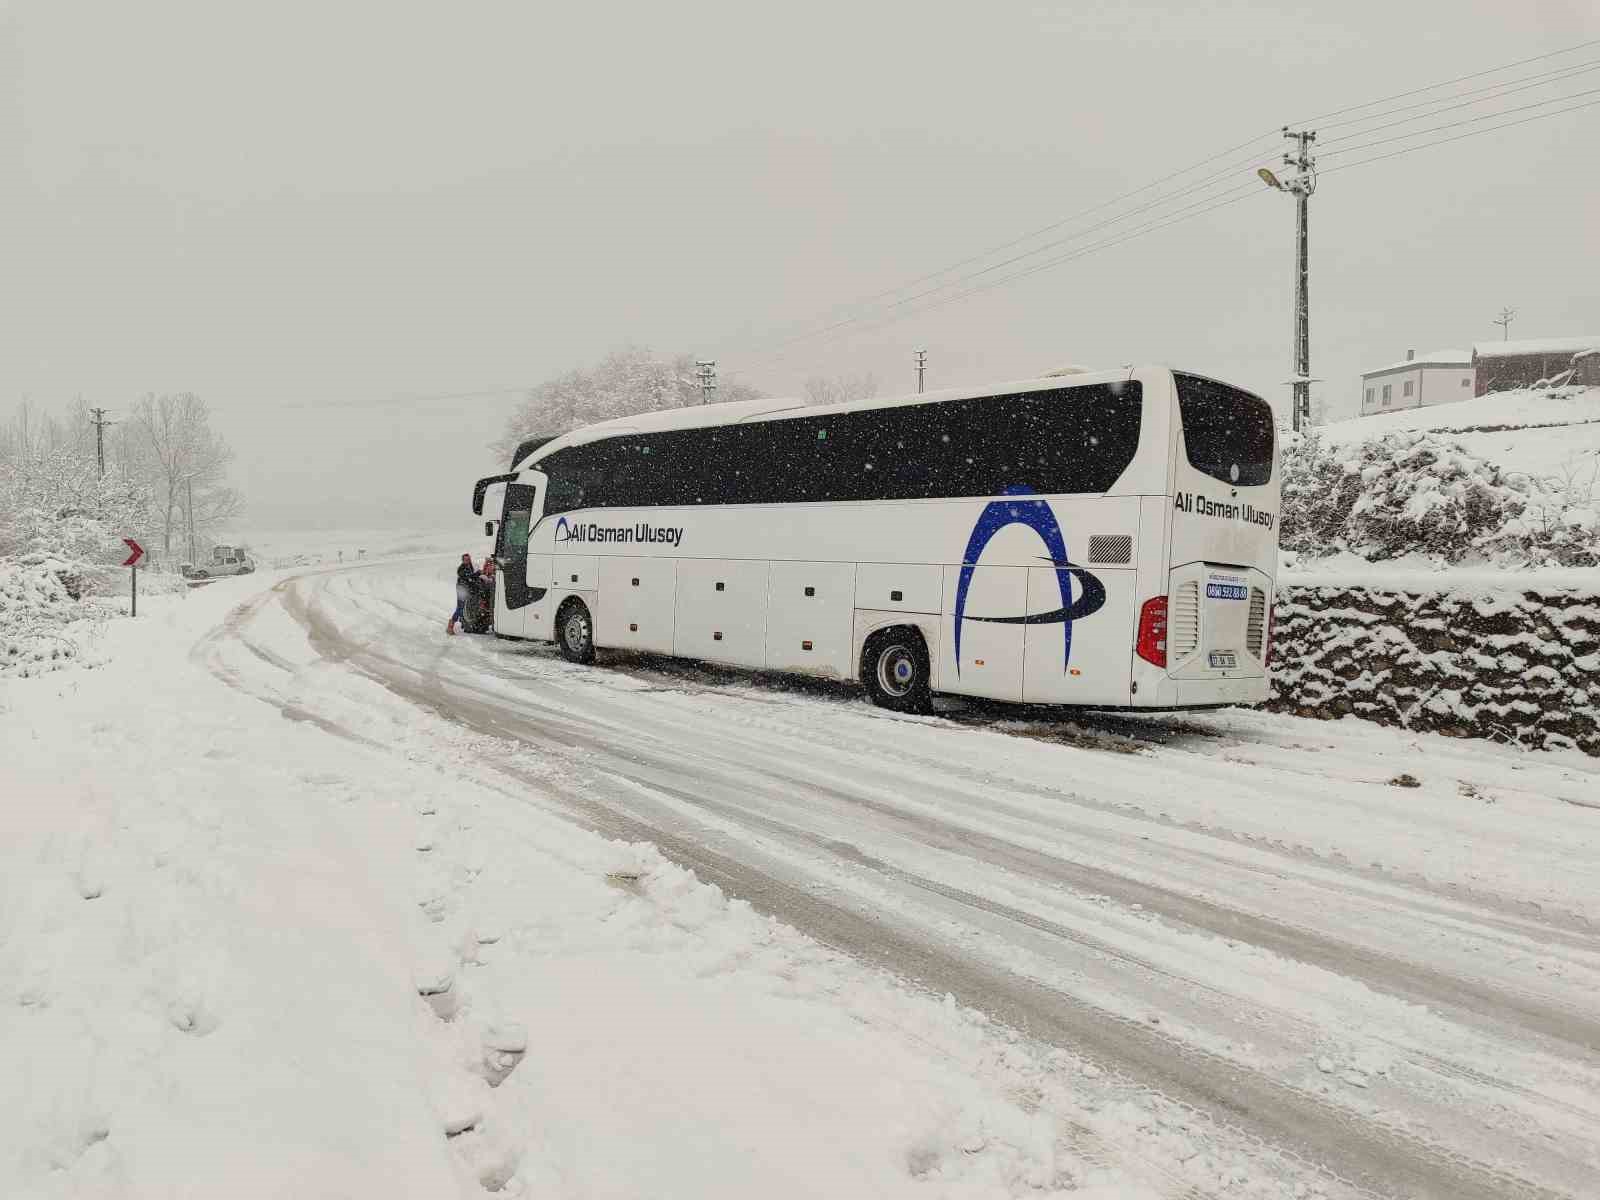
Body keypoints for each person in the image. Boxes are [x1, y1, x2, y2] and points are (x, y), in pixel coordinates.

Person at [447, 553, 476, 635]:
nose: (468, 560)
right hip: (461, 589)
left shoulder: (470, 566)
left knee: (463, 607)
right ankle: (450, 625)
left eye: (469, 559)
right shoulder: (461, 568)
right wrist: (477, 574)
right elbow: (468, 577)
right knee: (460, 608)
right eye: (466, 559)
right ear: (463, 560)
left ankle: (463, 624)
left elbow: (471, 578)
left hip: (466, 589)